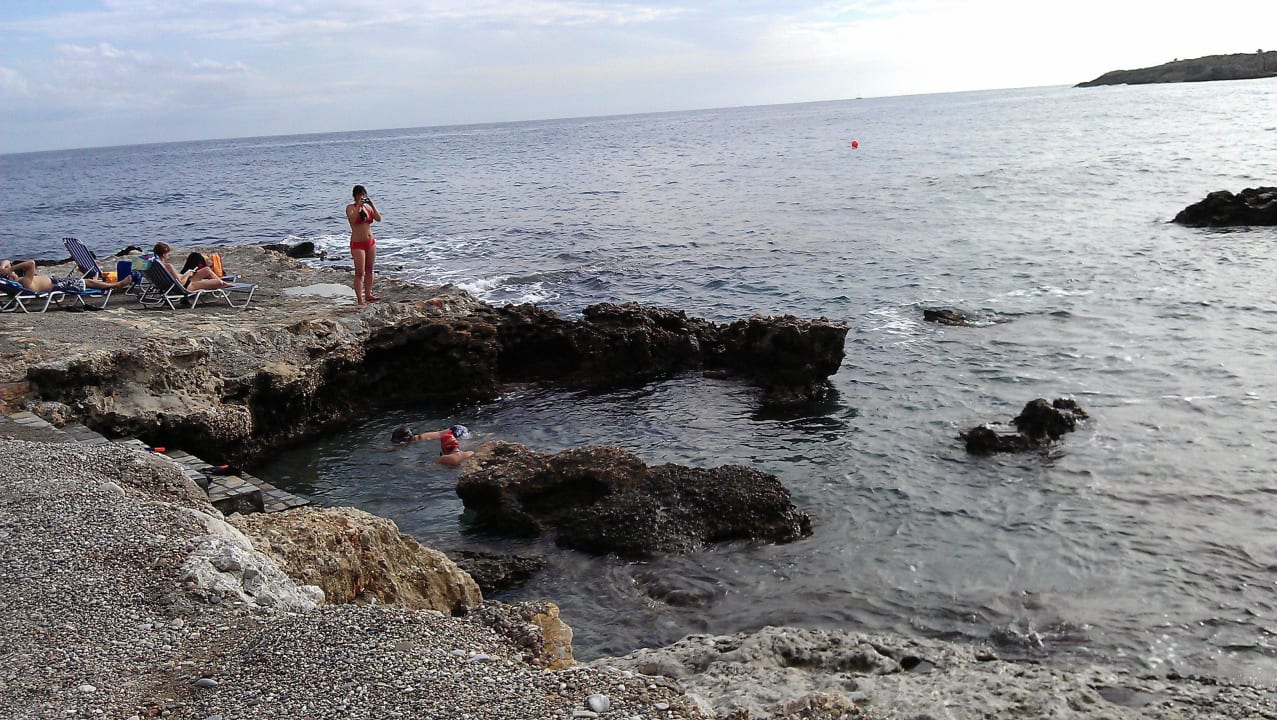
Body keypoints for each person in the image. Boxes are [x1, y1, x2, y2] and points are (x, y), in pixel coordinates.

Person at [1, 258, 133, 294]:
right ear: (11, 277)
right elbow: (31, 263)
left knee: (86, 281)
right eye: (10, 272)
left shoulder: (20, 281)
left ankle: (98, 282)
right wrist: (10, 269)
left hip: (57, 281)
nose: (10, 270)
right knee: (88, 282)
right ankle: (117, 285)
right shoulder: (25, 282)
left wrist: (4, 268)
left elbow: (6, 261)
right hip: (58, 285)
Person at [345, 184, 382, 306]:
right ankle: (360, 299)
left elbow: (378, 218)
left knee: (369, 269)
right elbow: (353, 219)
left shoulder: (368, 208)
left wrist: (371, 205)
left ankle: (368, 294)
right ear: (354, 196)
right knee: (360, 272)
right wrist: (359, 206)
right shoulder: (351, 208)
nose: (362, 197)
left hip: (370, 242)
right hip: (358, 244)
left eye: (363, 195)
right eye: (359, 195)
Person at [151, 243, 232, 291]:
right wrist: (188, 274)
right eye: (167, 253)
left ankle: (224, 283)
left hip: (176, 285)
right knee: (219, 283)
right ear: (164, 254)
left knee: (206, 270)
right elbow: (181, 283)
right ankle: (223, 283)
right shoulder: (168, 266)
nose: (168, 255)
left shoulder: (156, 266)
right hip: (187, 286)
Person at [392, 424, 474, 467]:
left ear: (403, 441)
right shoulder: (417, 438)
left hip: (457, 432)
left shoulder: (420, 439)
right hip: (457, 429)